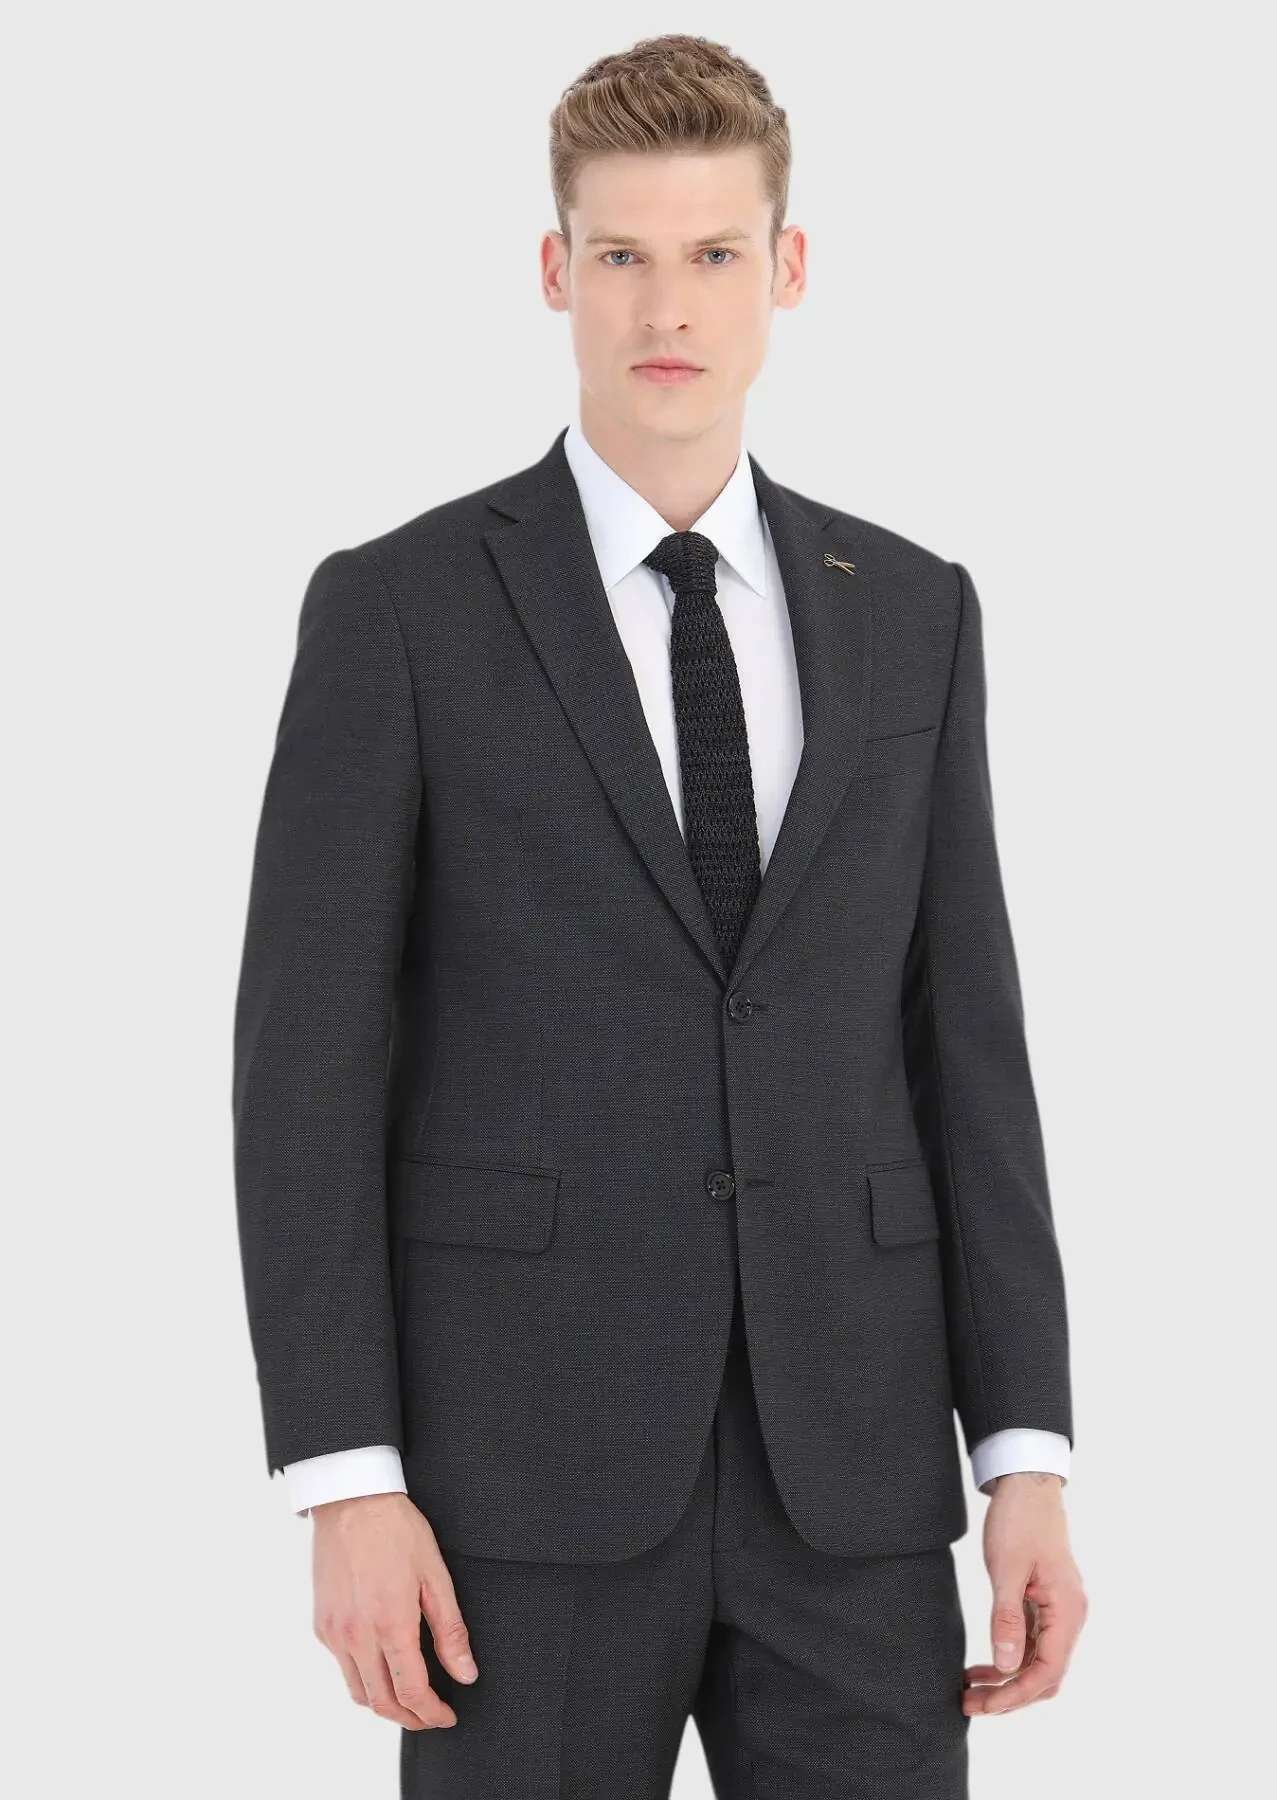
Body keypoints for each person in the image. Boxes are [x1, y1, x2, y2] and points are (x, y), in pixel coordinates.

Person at [231, 31, 1086, 1798]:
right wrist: (346, 1477)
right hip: (513, 1486)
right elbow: (303, 1070)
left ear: (788, 268)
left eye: (712, 252)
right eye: (620, 252)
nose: (666, 305)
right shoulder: (400, 609)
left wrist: (1026, 1458)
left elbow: (968, 1055)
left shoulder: (914, 611)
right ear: (556, 269)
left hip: (853, 1481)